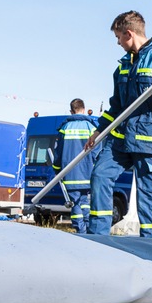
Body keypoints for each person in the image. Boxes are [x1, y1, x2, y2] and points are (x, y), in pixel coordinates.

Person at [86, 10, 152, 238]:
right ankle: (97, 237)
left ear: (129, 33)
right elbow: (115, 106)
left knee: (147, 193)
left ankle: (150, 246)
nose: (117, 43)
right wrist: (97, 131)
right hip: (120, 137)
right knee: (100, 176)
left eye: (118, 37)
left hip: (148, 138)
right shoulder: (122, 65)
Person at [52, 98, 99, 233]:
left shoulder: (65, 128)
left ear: (71, 111)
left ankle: (80, 231)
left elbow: (58, 153)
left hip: (70, 174)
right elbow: (98, 150)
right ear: (84, 109)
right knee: (85, 202)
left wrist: (57, 171)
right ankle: (89, 231)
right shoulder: (92, 128)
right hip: (88, 173)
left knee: (75, 204)